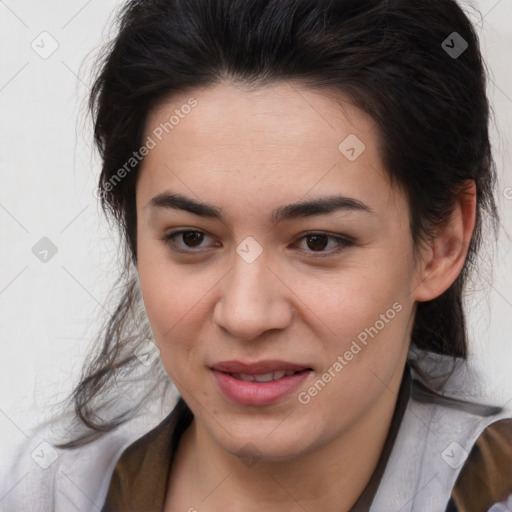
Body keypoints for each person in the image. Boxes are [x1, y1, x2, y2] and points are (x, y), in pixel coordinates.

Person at [1, 0, 511, 511]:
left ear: (442, 244)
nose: (245, 316)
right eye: (192, 238)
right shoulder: (52, 491)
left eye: (317, 241)